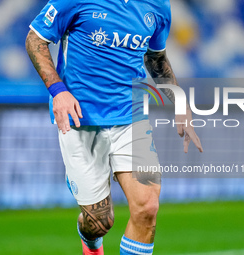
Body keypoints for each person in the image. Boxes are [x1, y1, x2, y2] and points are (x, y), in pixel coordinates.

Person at [26, 0, 203, 254]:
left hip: (132, 117)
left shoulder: (158, 6)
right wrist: (58, 92)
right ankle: (90, 241)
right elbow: (35, 40)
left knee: (147, 207)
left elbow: (156, 58)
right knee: (99, 222)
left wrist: (180, 102)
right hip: (81, 120)